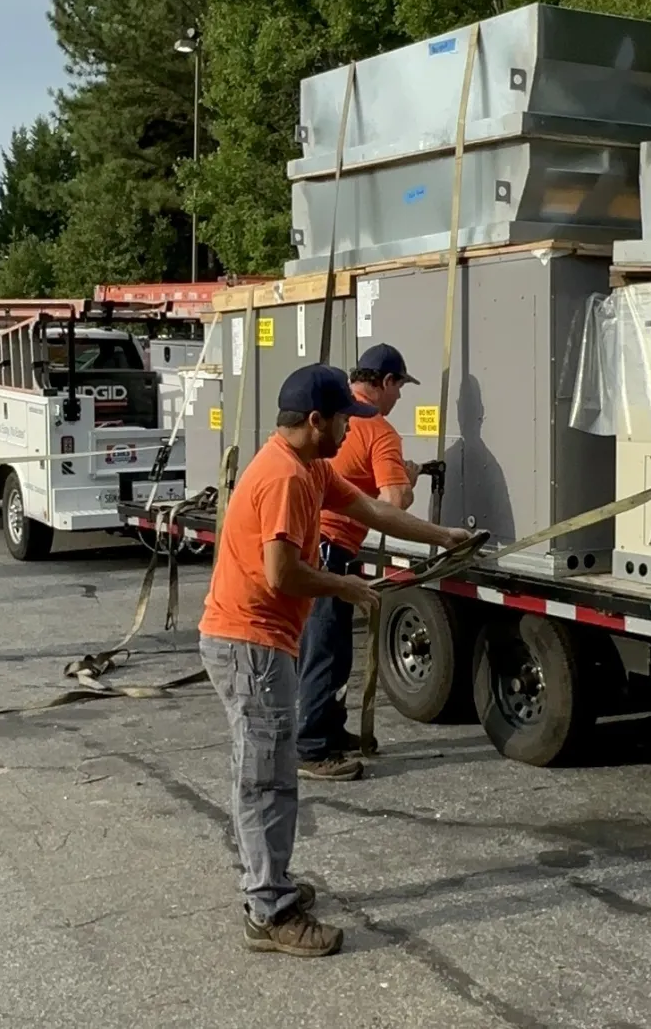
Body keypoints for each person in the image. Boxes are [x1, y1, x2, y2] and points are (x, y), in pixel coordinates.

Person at [199, 362, 470, 959]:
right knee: (266, 779)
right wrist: (347, 588)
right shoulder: (288, 479)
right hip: (251, 645)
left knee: (270, 771)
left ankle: (271, 889)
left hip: (257, 643)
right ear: (316, 420)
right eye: (346, 418)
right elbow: (281, 572)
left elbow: (374, 511)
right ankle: (268, 910)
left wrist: (443, 536)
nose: (354, 429)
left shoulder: (308, 464)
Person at [296, 343, 421, 780]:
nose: (400, 397)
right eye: (400, 386)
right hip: (332, 550)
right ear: (385, 382)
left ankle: (329, 728)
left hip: (310, 545)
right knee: (326, 651)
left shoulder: (331, 418)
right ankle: (313, 748)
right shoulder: (379, 432)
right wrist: (408, 479)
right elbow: (393, 504)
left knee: (328, 648)